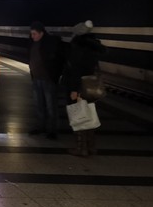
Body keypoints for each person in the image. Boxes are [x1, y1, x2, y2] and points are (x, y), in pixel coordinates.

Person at [62, 20, 106, 156]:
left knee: (79, 117)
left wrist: (74, 90)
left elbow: (76, 70)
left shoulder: (77, 47)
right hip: (90, 87)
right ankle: (91, 146)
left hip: (80, 87)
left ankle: (82, 148)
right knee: (90, 116)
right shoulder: (93, 47)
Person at [28, 21, 65, 139]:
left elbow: (59, 61)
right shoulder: (33, 43)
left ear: (41, 33)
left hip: (48, 80)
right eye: (31, 34)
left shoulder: (51, 43)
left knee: (51, 106)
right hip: (37, 79)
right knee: (39, 105)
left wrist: (54, 76)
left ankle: (52, 130)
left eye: (34, 34)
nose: (32, 36)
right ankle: (40, 126)